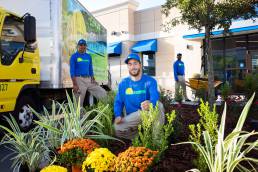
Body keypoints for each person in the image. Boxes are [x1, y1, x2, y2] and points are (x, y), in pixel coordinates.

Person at [114, 53, 164, 139]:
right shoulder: (123, 83)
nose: (133, 67)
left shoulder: (150, 81)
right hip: (133, 117)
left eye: (135, 63)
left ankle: (156, 140)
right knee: (116, 129)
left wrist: (151, 103)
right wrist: (118, 115)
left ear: (140, 65)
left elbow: (155, 96)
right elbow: (118, 102)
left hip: (147, 113)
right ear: (128, 67)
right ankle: (141, 136)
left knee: (159, 105)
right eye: (130, 64)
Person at [70, 39, 106, 107]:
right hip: (79, 80)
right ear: (78, 46)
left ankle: (108, 107)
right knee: (78, 103)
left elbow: (90, 69)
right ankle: (79, 117)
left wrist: (93, 79)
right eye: (81, 45)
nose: (82, 46)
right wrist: (75, 84)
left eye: (84, 45)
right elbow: (72, 71)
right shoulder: (74, 56)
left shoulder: (88, 56)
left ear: (86, 46)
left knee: (102, 92)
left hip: (89, 79)